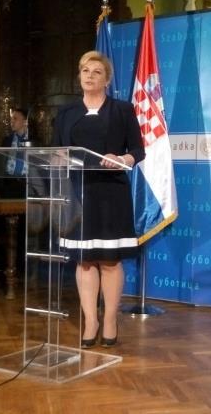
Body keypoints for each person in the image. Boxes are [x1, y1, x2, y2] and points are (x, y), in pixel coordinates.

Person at [51, 50, 145, 348]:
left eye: (96, 72)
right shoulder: (66, 113)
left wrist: (122, 159)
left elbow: (138, 150)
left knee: (109, 260)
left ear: (107, 79)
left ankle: (110, 320)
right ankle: (90, 321)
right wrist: (57, 159)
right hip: (78, 192)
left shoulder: (122, 110)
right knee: (85, 260)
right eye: (85, 71)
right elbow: (56, 151)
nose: (89, 76)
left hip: (111, 193)